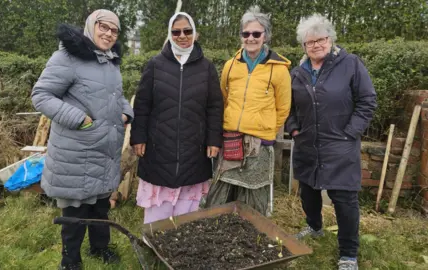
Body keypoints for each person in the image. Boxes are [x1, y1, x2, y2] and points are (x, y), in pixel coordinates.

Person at [31, 9, 134, 270]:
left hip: (103, 149)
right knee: (75, 210)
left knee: (100, 206)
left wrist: (126, 111)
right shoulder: (67, 57)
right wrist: (78, 118)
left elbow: (115, 96)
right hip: (76, 150)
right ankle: (70, 260)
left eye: (114, 30)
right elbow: (41, 95)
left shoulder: (110, 61)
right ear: (90, 26)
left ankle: (99, 249)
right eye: (103, 27)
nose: (109, 33)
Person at [285, 14, 377, 270]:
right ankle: (314, 227)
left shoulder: (350, 64)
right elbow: (287, 107)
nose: (316, 45)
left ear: (330, 39)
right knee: (308, 191)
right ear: (303, 46)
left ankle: (348, 253)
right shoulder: (297, 72)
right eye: (309, 42)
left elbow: (367, 100)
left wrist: (351, 132)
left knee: (344, 200)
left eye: (320, 39)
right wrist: (293, 129)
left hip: (340, 145)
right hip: (306, 144)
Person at [130, 12, 223, 224]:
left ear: (195, 34)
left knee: (187, 211)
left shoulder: (206, 68)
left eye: (187, 31)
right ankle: (154, 245)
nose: (182, 35)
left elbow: (214, 106)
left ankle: (181, 251)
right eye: (176, 31)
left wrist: (213, 140)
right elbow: (142, 104)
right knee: (158, 210)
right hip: (159, 146)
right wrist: (138, 137)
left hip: (194, 146)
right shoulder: (155, 64)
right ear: (170, 34)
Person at [204, 6, 292, 217]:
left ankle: (251, 234)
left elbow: (283, 108)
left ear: (266, 36)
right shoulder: (230, 66)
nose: (250, 38)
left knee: (253, 193)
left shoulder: (279, 70)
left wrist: (266, 129)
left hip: (259, 143)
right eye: (246, 33)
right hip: (231, 139)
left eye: (256, 33)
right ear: (241, 36)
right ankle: (216, 231)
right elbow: (223, 99)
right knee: (222, 189)